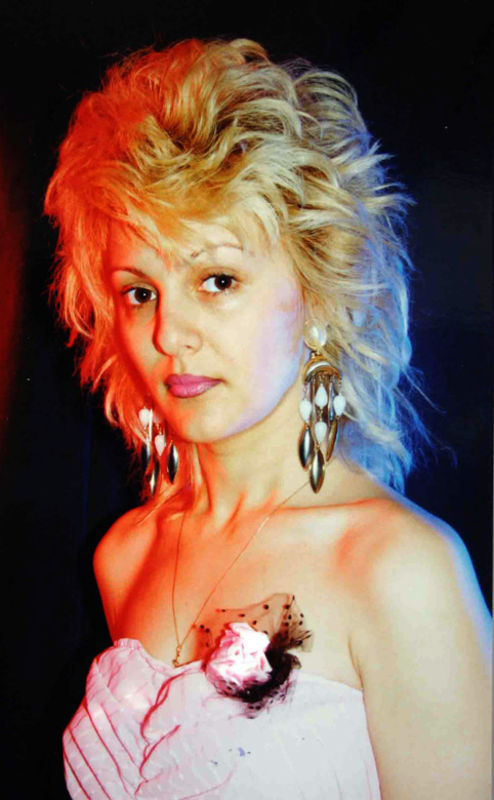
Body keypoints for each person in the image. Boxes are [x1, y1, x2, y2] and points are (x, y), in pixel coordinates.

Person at [45, 38, 491, 799]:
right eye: (140, 292)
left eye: (218, 279)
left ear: (316, 296)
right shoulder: (127, 554)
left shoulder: (398, 568)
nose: (169, 334)